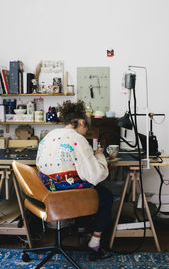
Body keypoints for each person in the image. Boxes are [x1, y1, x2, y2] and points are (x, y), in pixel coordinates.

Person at [36, 100, 113, 259]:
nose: (86, 131)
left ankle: (81, 231)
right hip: (65, 195)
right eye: (87, 128)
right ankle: (95, 241)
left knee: (83, 186)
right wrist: (99, 156)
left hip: (45, 193)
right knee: (103, 195)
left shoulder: (49, 135)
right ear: (82, 122)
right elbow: (96, 175)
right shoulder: (77, 139)